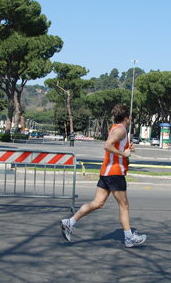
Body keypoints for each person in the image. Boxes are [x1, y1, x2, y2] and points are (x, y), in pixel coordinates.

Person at [60, 105, 146, 248]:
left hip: (107, 171)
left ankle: (70, 222)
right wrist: (124, 153)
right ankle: (129, 237)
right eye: (130, 117)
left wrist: (127, 149)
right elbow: (107, 145)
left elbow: (114, 147)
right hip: (115, 173)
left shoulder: (116, 128)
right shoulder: (120, 130)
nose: (131, 119)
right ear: (126, 117)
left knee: (97, 203)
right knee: (124, 205)